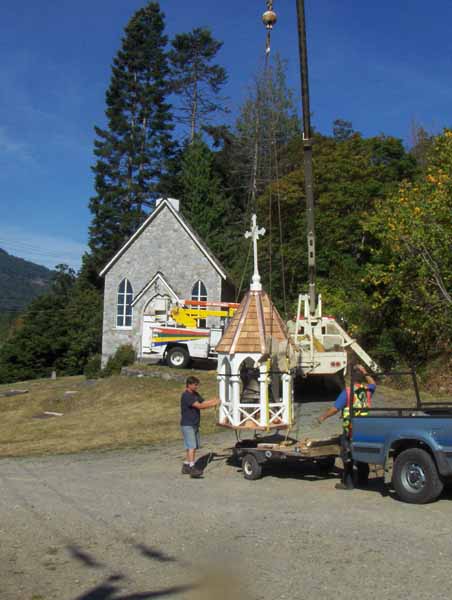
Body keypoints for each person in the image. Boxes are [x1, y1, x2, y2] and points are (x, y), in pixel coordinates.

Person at [317, 364, 376, 490]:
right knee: (361, 453)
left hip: (350, 428)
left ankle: (348, 483)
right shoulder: (367, 390)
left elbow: (335, 409)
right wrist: (364, 371)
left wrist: (323, 417)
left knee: (347, 454)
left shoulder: (348, 392)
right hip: (364, 428)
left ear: (352, 379)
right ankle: (363, 480)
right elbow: (373, 383)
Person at [180, 376, 219, 478]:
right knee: (191, 446)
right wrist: (213, 404)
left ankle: (186, 465)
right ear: (189, 385)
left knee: (192, 446)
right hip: (188, 424)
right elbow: (200, 406)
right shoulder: (186, 395)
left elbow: (203, 402)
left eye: (197, 385)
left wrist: (214, 400)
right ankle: (192, 468)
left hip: (195, 424)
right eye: (195, 385)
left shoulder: (195, 394)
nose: (197, 387)